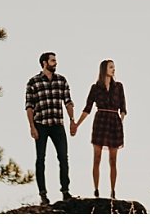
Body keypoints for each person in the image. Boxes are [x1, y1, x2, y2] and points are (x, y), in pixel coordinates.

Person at [25, 51, 76, 205]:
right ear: (44, 63)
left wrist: (72, 120)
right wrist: (32, 127)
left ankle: (65, 191)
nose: (56, 63)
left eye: (55, 60)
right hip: (40, 125)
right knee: (41, 159)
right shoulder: (33, 82)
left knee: (63, 158)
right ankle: (43, 195)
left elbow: (68, 102)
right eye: (53, 61)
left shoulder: (61, 80)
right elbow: (29, 107)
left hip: (57, 125)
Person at [72, 58, 127, 199]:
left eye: (114, 67)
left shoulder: (119, 87)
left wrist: (120, 121)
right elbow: (87, 108)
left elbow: (123, 109)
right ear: (104, 69)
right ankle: (96, 190)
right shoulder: (95, 88)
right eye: (111, 67)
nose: (113, 69)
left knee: (113, 160)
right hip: (100, 121)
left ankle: (113, 191)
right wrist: (77, 124)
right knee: (96, 158)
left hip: (114, 123)